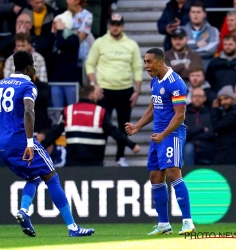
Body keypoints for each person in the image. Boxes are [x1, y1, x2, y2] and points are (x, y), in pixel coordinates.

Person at [0, 51, 94, 237]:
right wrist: (30, 143)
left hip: (2, 147)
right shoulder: (28, 86)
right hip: (21, 142)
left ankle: (23, 211)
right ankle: (73, 228)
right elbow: (28, 111)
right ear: (28, 67)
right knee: (52, 177)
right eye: (33, 64)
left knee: (34, 177)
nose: (34, 67)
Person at [125, 48, 195, 235]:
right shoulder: (155, 80)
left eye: (149, 62)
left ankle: (188, 222)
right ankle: (163, 224)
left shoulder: (176, 83)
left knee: (173, 174)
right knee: (155, 178)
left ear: (159, 62)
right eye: (145, 62)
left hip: (171, 134)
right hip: (159, 135)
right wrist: (137, 126)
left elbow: (180, 116)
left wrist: (164, 134)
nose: (146, 66)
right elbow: (153, 106)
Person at [86, 13, 142, 167]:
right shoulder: (100, 43)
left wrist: (137, 91)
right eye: (113, 24)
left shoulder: (131, 44)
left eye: (118, 24)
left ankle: (120, 157)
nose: (115, 27)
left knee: (125, 125)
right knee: (102, 125)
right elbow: (89, 64)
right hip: (104, 90)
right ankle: (100, 157)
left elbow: (137, 68)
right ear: (109, 25)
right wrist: (94, 85)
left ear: (122, 26)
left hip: (125, 90)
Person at [40, 85, 141, 167]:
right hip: (95, 163)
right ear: (92, 95)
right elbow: (114, 132)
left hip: (73, 163)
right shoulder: (100, 112)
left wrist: (38, 149)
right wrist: (132, 145)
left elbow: (54, 133)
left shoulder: (68, 110)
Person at [183, 1, 219, 70]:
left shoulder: (213, 31)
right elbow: (178, 47)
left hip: (206, 69)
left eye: (198, 12)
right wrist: (197, 44)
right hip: (185, 71)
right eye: (193, 12)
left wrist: (189, 50)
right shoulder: (182, 31)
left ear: (204, 14)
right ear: (189, 14)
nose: (195, 15)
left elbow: (211, 50)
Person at [211, 85, 236, 165]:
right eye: (220, 100)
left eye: (226, 98)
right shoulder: (225, 113)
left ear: (233, 99)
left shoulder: (233, 114)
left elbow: (217, 127)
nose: (223, 102)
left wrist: (214, 110)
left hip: (229, 153)